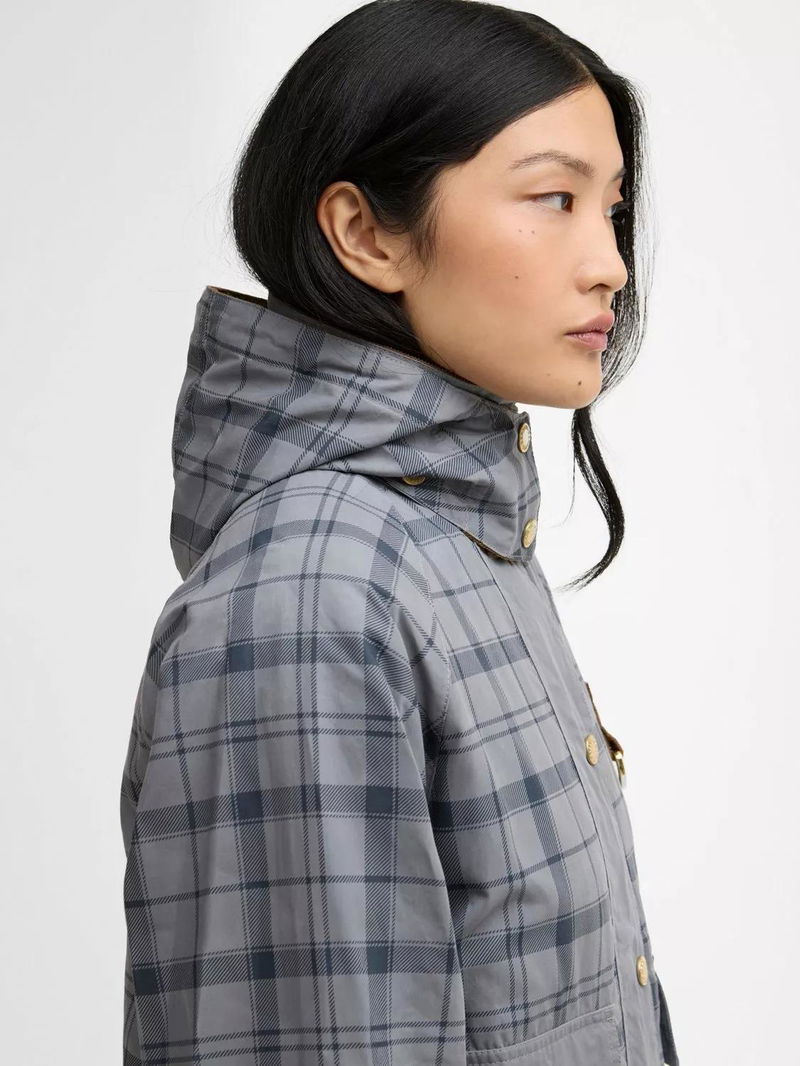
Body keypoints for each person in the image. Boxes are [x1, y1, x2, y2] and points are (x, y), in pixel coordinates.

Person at [119, 2, 680, 1063]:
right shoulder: (319, 588)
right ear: (366, 234)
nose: (608, 262)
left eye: (610, 209)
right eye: (553, 199)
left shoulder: (451, 545)